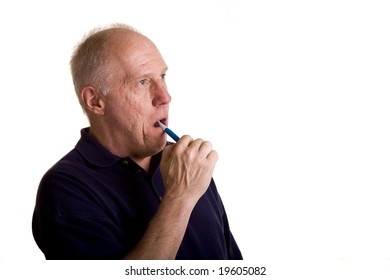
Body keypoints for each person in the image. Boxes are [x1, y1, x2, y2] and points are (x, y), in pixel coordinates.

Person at [32, 23, 242, 260]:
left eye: (162, 76)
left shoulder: (186, 163)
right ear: (95, 101)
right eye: (142, 82)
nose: (165, 96)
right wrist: (180, 197)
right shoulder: (64, 188)